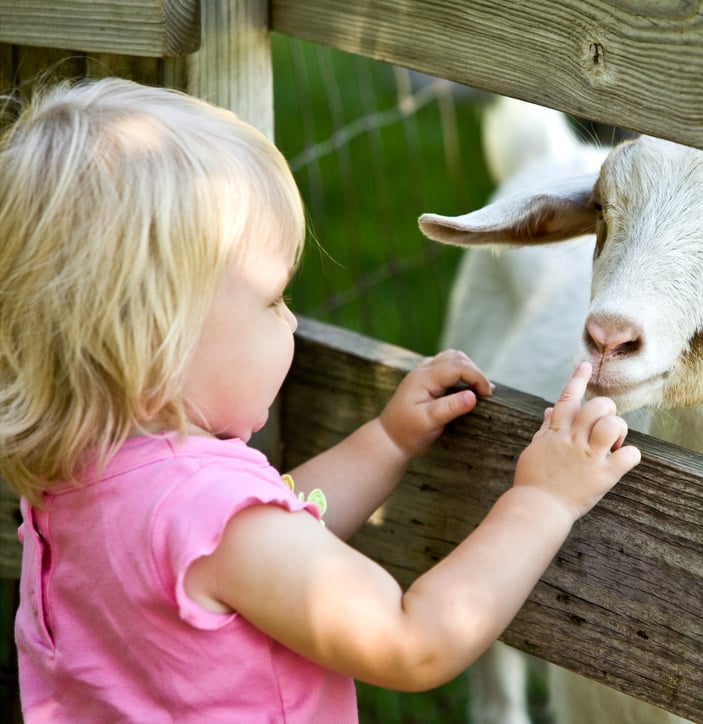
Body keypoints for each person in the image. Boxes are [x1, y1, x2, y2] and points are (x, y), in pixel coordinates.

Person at [0, 77, 641, 722]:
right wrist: (543, 499)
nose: (292, 322)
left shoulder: (82, 485)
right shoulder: (214, 523)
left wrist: (385, 443)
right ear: (155, 340)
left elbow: (276, 539)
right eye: (273, 298)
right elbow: (412, 641)